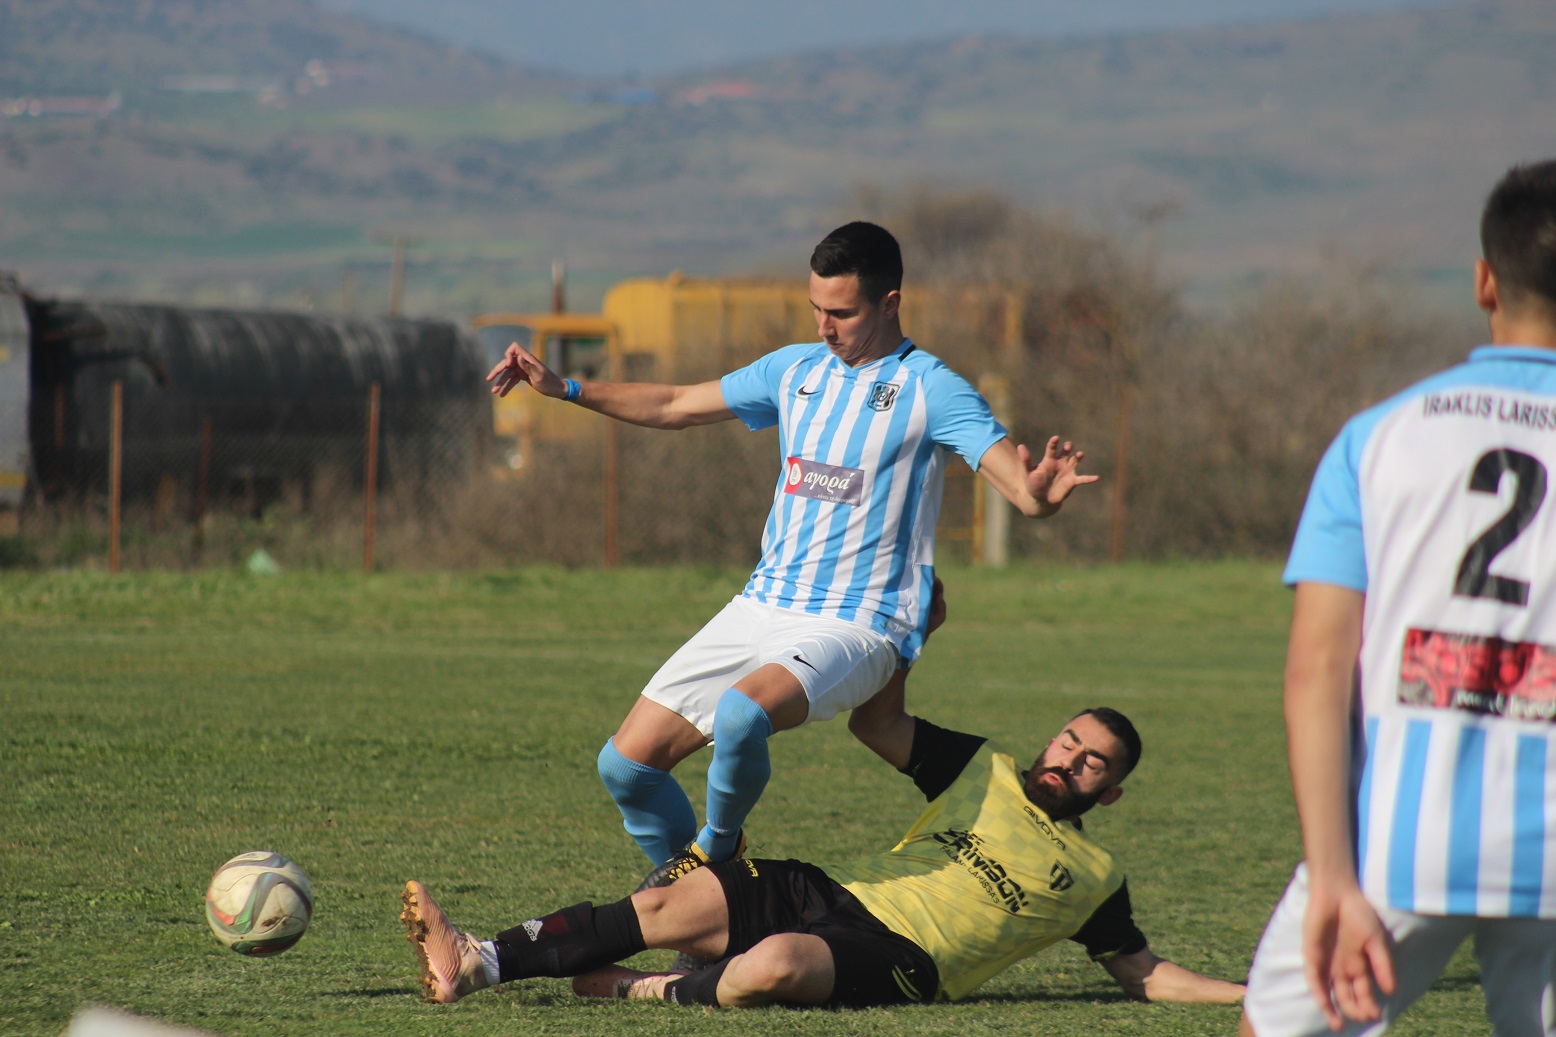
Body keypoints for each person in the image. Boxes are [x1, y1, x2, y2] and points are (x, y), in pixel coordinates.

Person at [486, 221, 1097, 883]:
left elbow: (1021, 490)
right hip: (763, 603)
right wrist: (568, 390)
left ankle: (719, 854)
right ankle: (709, 905)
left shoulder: (932, 388)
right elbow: (675, 402)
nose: (825, 326)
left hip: (861, 621)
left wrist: (1042, 496)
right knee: (625, 767)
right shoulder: (794, 370)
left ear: (889, 303)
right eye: (815, 308)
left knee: (742, 713)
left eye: (842, 312)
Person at [1240, 160, 1556, 1037]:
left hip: (1399, 844)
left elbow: (1316, 670)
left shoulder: (1379, 435)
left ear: (1485, 280)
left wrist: (1332, 877)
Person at [400, 688, 1246, 1009]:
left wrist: (1258, 996)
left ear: (1111, 790)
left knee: (771, 966)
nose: (1069, 758)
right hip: (831, 890)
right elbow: (879, 722)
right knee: (663, 901)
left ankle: (649, 989)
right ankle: (478, 960)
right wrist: (906, 631)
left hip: (907, 958)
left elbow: (1143, 973)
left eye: (1094, 761)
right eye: (1069, 740)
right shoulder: (981, 768)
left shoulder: (1096, 876)